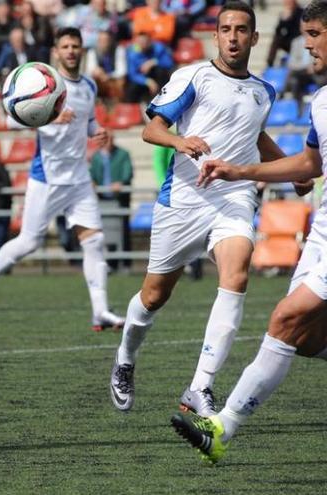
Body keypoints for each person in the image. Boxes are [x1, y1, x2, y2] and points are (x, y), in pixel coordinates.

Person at [108, 2, 297, 416]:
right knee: (155, 295)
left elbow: (255, 134)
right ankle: (125, 357)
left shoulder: (264, 91)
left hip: (234, 196)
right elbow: (151, 128)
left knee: (238, 270)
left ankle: (200, 386)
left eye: (242, 29)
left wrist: (292, 169)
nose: (233, 36)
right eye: (226, 29)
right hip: (185, 199)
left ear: (254, 37)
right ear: (215, 36)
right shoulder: (193, 76)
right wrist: (181, 141)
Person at [171, 1, 327, 463]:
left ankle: (221, 428)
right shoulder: (321, 101)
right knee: (307, 338)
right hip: (321, 232)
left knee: (285, 319)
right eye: (306, 34)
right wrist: (239, 171)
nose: (308, 44)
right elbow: (310, 164)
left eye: (316, 34)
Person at [0, 27, 124, 331]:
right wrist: (52, 116)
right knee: (29, 242)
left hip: (79, 178)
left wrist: (97, 132)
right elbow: (11, 118)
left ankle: (100, 311)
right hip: (47, 178)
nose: (70, 51)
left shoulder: (89, 86)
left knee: (94, 241)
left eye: (75, 46)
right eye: (65, 46)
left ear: (82, 50)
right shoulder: (43, 81)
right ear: (55, 51)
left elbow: (89, 120)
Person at [90, 130, 133, 270]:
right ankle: (110, 263)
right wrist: (93, 182)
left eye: (110, 138)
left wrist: (120, 182)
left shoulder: (123, 154)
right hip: (103, 199)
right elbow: (92, 175)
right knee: (105, 231)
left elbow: (128, 173)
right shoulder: (96, 157)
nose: (108, 141)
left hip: (119, 199)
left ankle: (125, 263)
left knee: (122, 230)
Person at [124, 30, 174, 103]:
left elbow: (169, 63)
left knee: (161, 70)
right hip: (142, 80)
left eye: (145, 41)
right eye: (140, 42)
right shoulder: (132, 53)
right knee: (131, 87)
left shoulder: (158, 48)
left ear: (150, 41)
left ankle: (162, 100)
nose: (143, 44)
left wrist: (154, 61)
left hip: (157, 78)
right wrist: (147, 81)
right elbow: (132, 74)